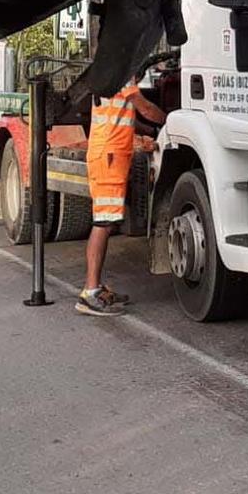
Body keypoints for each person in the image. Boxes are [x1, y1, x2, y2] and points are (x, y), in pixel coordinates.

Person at [78, 75, 164, 316]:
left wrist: (144, 134)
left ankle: (95, 289)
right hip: (109, 156)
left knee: (105, 221)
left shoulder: (110, 75)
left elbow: (124, 117)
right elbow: (144, 107)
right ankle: (90, 292)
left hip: (109, 154)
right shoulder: (123, 76)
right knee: (103, 222)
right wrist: (170, 121)